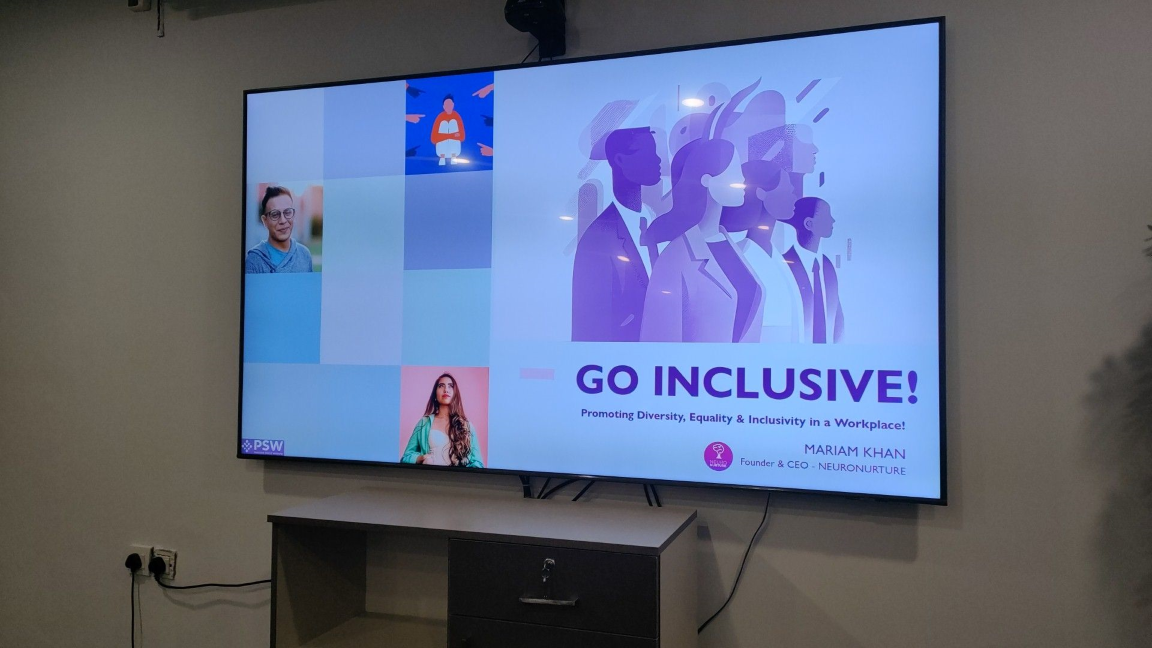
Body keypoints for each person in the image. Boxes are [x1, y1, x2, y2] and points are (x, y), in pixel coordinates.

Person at [640, 103, 764, 344]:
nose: (742, 180)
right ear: (707, 180)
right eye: (733, 172)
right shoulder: (675, 259)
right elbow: (659, 344)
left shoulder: (729, 245)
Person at [571, 127, 662, 342]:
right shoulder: (597, 239)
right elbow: (590, 330)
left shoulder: (656, 222)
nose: (658, 160)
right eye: (648, 153)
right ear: (620, 160)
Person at [720, 160, 804, 342]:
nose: (794, 196)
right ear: (761, 193)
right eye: (787, 189)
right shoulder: (742, 258)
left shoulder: (775, 255)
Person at [779, 197, 844, 344]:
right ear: (809, 223)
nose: (832, 220)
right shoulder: (785, 266)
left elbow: (837, 318)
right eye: (826, 215)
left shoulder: (827, 266)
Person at [401, 373, 484, 467]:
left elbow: (478, 463)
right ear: (435, 394)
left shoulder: (467, 426)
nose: (446, 390)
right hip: (429, 475)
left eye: (450, 386)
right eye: (441, 386)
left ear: (455, 393)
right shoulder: (424, 423)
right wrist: (421, 458)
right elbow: (406, 457)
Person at [245, 186, 313, 274]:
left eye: (287, 212)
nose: (283, 220)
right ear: (265, 221)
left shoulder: (304, 254)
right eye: (275, 214)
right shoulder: (254, 260)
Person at [431, 94, 465, 165]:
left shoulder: (456, 116)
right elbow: (433, 138)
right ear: (443, 106)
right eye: (446, 105)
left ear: (453, 105)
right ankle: (442, 157)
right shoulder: (440, 117)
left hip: (455, 150)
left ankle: (453, 156)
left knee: (452, 122)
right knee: (444, 124)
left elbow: (462, 137)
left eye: (450, 104)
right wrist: (451, 136)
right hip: (441, 150)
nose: (448, 107)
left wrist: (444, 136)